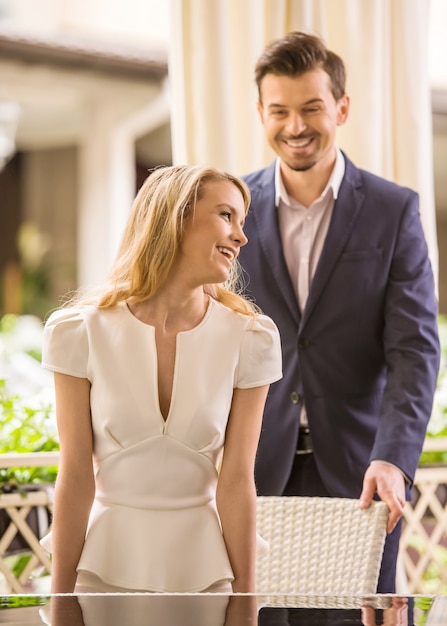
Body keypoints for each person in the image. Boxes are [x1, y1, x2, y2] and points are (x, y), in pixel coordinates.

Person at [238, 31, 440, 593]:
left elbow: (415, 350)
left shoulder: (393, 210)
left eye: (311, 109)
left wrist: (394, 461)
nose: (295, 126)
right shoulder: (233, 209)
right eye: (279, 111)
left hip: (363, 478)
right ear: (261, 113)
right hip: (250, 475)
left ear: (341, 108)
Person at [40, 164, 282, 595]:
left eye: (242, 223)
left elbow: (237, 480)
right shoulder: (78, 333)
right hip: (103, 570)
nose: (241, 237)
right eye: (226, 216)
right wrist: (62, 599)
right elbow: (76, 475)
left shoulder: (250, 338)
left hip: (205, 572)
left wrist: (246, 599)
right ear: (176, 216)